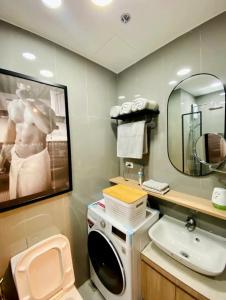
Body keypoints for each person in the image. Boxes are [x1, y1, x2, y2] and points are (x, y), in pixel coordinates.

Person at [0, 83, 58, 200]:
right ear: (17, 84)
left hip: (36, 161)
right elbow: (10, 132)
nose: (27, 87)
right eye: (23, 84)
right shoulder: (12, 105)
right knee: (15, 196)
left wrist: (27, 101)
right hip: (16, 158)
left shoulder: (46, 109)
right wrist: (2, 157)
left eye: (30, 85)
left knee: (37, 199)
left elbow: (47, 128)